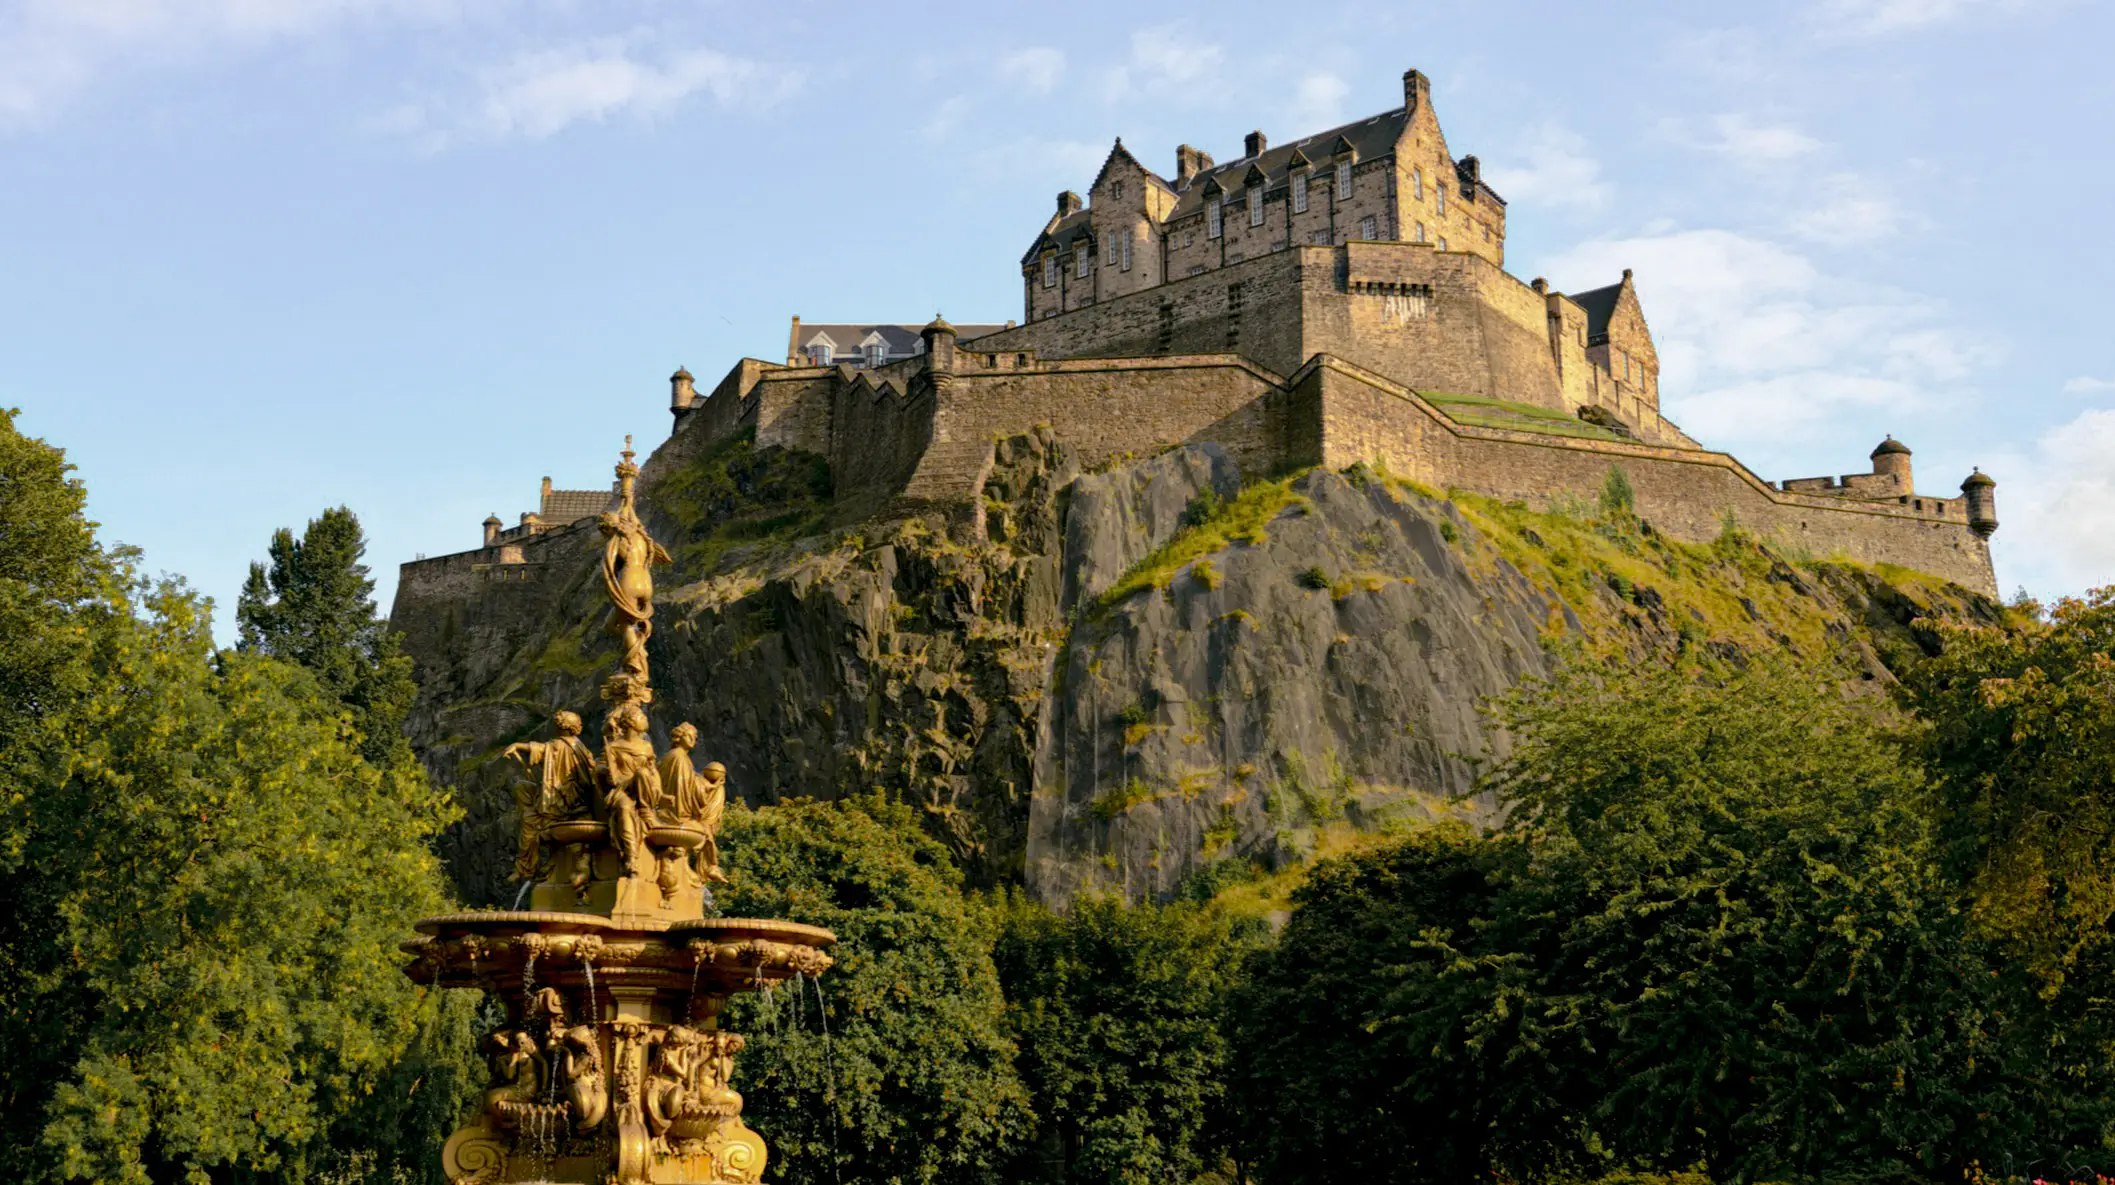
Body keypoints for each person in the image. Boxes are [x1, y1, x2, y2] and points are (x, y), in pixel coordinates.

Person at [502, 710, 596, 881]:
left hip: (563, 800)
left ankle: (525, 869)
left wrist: (517, 745)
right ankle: (526, 865)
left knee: (530, 825)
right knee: (522, 787)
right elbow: (542, 749)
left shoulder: (562, 746)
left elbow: (542, 749)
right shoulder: (576, 746)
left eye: (558, 725)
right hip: (563, 795)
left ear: (564, 728)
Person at [600, 703, 661, 880]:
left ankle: (645, 809)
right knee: (624, 808)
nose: (645, 719)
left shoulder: (646, 747)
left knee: (642, 773)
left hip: (643, 790)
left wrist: (659, 792)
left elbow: (652, 771)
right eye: (641, 717)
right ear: (630, 722)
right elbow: (602, 771)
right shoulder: (613, 747)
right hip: (621, 791)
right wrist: (608, 774)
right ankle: (631, 857)